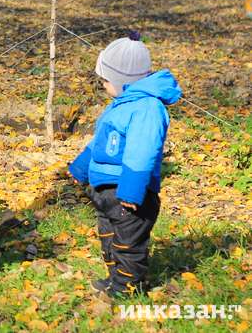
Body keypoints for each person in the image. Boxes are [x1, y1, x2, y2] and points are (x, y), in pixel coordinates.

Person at [68, 32, 182, 297]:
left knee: (128, 245)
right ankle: (114, 280)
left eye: (106, 80)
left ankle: (127, 289)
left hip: (127, 195)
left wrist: (132, 191)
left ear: (123, 80)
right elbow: (100, 142)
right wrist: (80, 168)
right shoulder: (121, 104)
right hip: (106, 193)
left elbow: (142, 152)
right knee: (109, 239)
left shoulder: (147, 109)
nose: (103, 85)